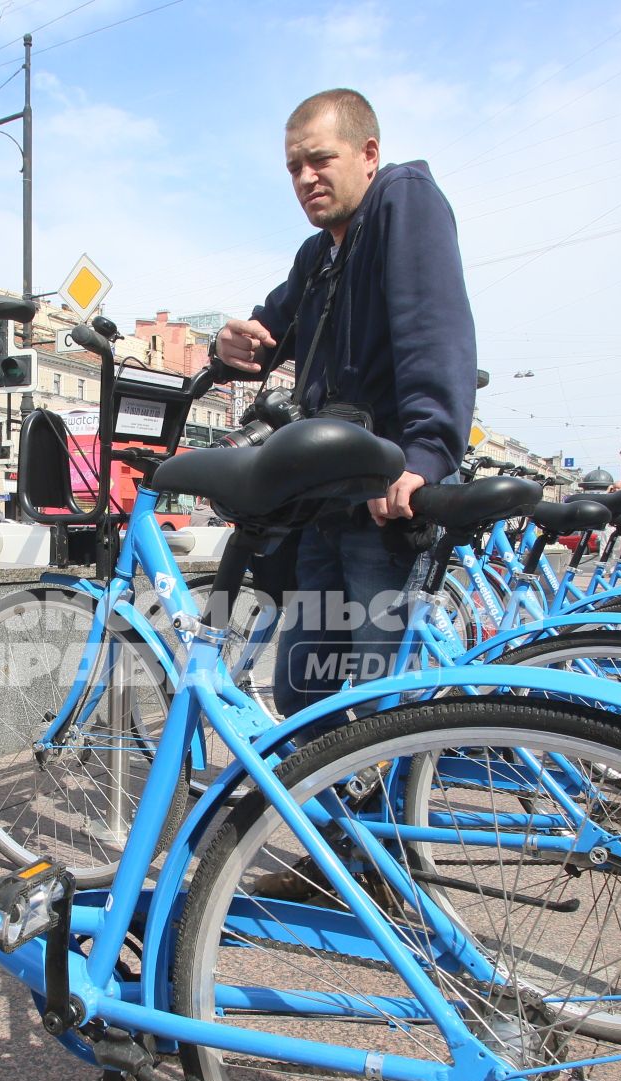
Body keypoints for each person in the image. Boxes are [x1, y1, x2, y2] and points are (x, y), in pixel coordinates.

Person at [213, 89, 474, 716]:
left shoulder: (402, 201)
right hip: (325, 504)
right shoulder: (318, 255)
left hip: (385, 503)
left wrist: (427, 453)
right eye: (293, 168)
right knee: (303, 689)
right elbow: (268, 332)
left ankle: (384, 807)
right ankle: (323, 809)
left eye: (320, 160)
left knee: (379, 703)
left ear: (369, 153)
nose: (306, 178)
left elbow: (433, 332)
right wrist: (231, 345)